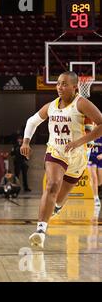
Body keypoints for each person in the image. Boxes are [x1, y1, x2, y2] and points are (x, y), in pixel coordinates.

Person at [20, 71, 102, 248]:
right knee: (52, 185)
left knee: (59, 199)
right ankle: (40, 231)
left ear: (75, 87)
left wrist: (79, 141)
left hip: (78, 156)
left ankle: (56, 207)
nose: (60, 87)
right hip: (56, 151)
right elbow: (32, 122)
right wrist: (26, 141)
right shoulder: (51, 106)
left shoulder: (82, 103)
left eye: (64, 84)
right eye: (58, 83)